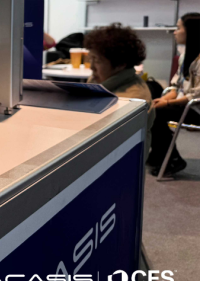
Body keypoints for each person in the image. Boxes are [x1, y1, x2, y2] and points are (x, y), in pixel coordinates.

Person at [84, 24, 154, 152]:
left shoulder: (132, 100)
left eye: (97, 60)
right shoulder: (100, 81)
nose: (91, 67)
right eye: (90, 59)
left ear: (120, 64)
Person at [148, 13, 200, 177]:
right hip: (186, 104)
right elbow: (175, 87)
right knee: (151, 98)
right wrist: (163, 99)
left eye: (178, 28)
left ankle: (172, 159)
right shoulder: (184, 56)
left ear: (191, 31)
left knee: (156, 112)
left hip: (196, 108)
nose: (175, 32)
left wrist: (167, 104)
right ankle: (160, 154)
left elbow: (196, 96)